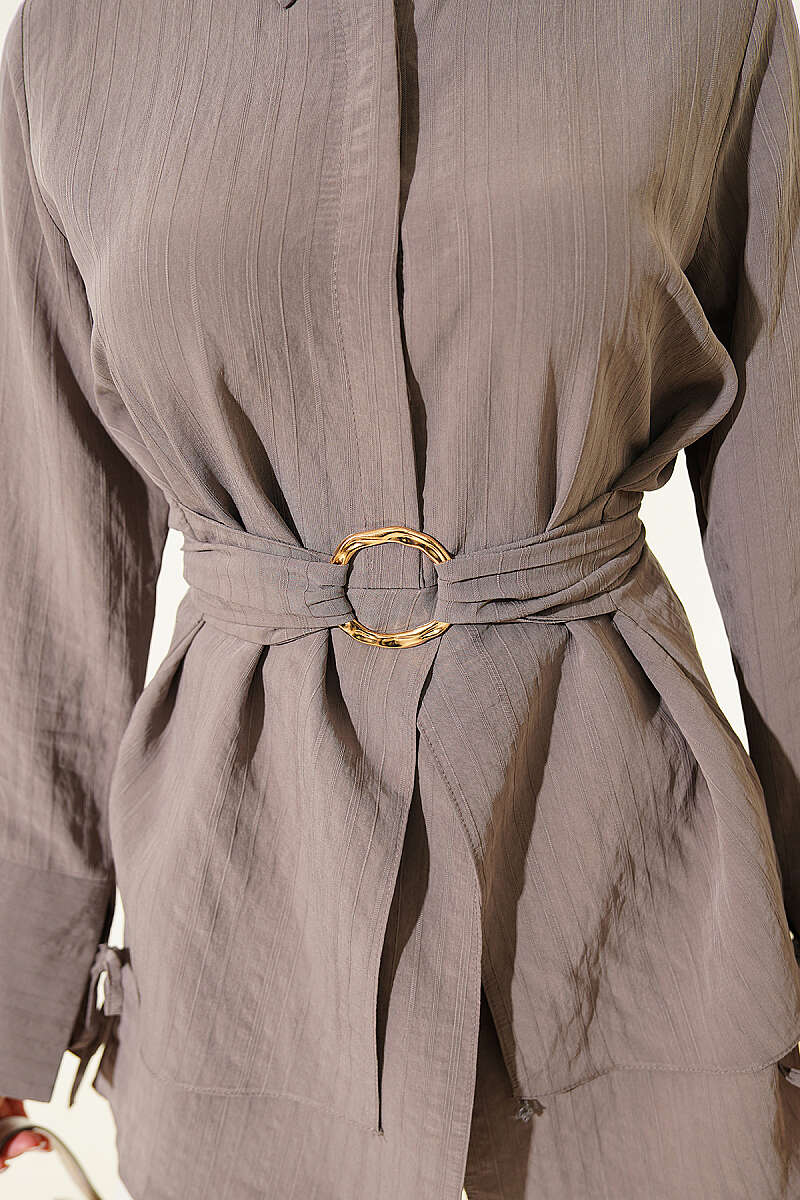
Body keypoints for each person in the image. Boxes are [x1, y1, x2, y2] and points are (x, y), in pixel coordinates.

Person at [4, 0, 800, 1196]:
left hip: (621, 897)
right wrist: (17, 990)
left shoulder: (710, 21)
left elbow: (783, 514)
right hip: (246, 929)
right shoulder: (80, 39)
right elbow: (49, 558)